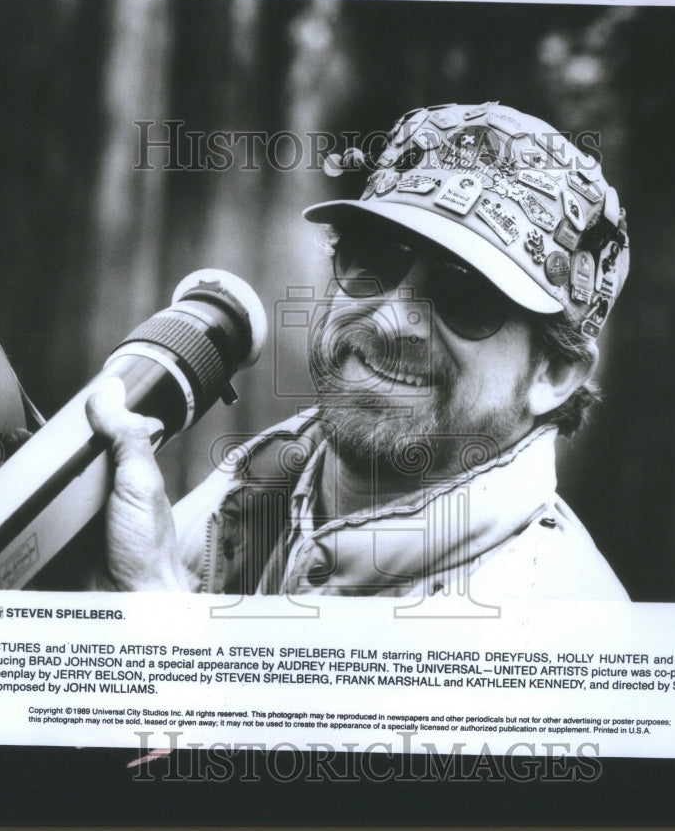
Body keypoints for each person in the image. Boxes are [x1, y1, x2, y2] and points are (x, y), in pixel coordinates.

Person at [86, 101, 631, 599]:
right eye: (374, 260)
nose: (393, 317)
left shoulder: (561, 620)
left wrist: (153, 604)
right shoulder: (254, 489)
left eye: (464, 292)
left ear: (556, 371)